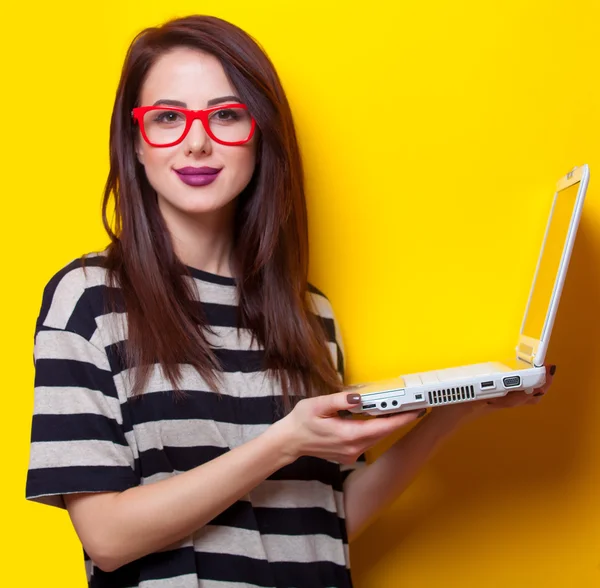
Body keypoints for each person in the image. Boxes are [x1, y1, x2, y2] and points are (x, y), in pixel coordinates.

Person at [25, 14, 555, 588]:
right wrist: (282, 443)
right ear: (136, 141)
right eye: (168, 118)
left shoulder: (309, 316)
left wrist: (454, 411)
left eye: (226, 115)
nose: (197, 141)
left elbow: (323, 521)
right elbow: (107, 539)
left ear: (260, 133)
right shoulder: (88, 301)